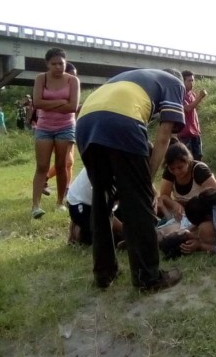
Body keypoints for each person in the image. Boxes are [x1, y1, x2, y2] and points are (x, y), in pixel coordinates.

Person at [76, 68, 186, 291]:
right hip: (121, 120)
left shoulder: (135, 77)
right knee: (139, 202)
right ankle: (149, 278)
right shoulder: (175, 84)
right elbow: (164, 136)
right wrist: (147, 182)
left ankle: (104, 273)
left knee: (101, 199)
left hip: (85, 121)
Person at [31, 48, 80, 219]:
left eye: (61, 63)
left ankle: (60, 202)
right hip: (44, 127)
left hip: (66, 126)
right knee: (42, 166)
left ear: (65, 63)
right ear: (47, 64)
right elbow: (37, 102)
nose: (58, 67)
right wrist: (61, 101)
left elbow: (73, 107)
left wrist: (48, 103)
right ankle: (35, 206)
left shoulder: (73, 81)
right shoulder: (40, 78)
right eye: (54, 64)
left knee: (61, 165)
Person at [157, 141, 216, 227]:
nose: (176, 172)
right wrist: (174, 204)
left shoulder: (199, 170)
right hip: (182, 214)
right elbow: (164, 196)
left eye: (180, 167)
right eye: (172, 168)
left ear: (188, 161)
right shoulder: (169, 172)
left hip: (202, 212)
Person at [43, 63, 78, 196]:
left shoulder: (73, 89)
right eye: (72, 75)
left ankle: (67, 190)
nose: (74, 79)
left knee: (70, 163)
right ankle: (44, 179)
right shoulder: (56, 91)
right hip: (57, 129)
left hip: (70, 127)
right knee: (66, 161)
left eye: (75, 76)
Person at [66, 167, 123, 246]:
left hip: (101, 203)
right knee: (103, 240)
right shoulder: (102, 170)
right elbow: (104, 214)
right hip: (82, 205)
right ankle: (79, 230)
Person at [177, 70, 207, 161]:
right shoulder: (180, 94)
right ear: (183, 81)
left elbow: (194, 108)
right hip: (185, 133)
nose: (192, 83)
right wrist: (200, 97)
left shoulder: (192, 94)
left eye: (192, 80)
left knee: (198, 157)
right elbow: (188, 108)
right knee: (187, 160)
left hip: (195, 132)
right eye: (189, 81)